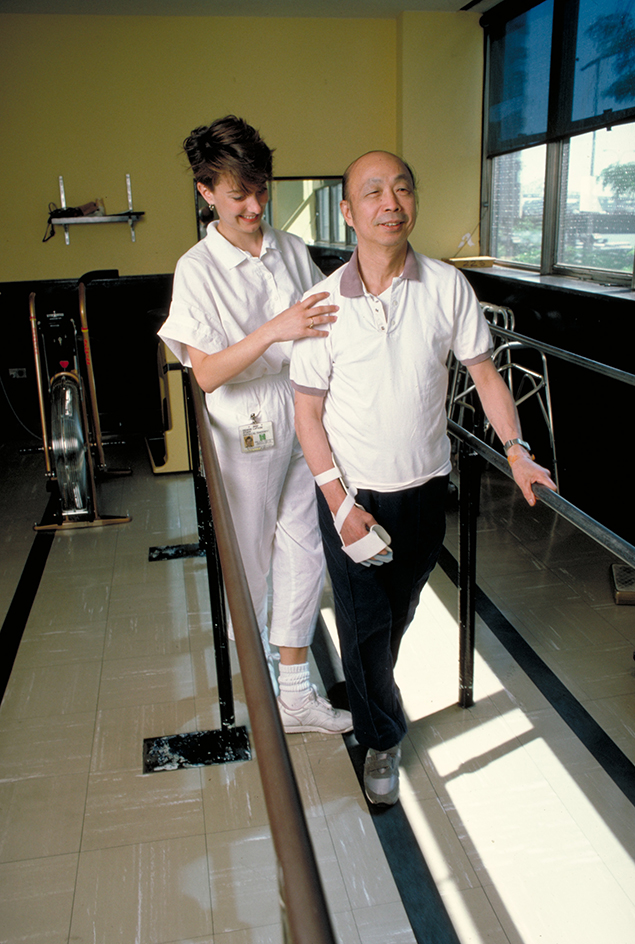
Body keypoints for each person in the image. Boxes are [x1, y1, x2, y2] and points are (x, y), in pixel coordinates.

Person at [290, 150, 557, 803]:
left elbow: (484, 375)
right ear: (349, 212)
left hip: (424, 490)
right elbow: (306, 412)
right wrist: (337, 502)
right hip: (351, 496)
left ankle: (367, 681)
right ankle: (381, 738)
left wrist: (516, 450)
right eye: (373, 192)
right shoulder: (321, 303)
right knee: (362, 621)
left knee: (398, 609)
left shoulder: (446, 286)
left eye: (401, 189)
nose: (391, 202)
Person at [158, 115, 352, 735]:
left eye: (261, 189)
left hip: (303, 416)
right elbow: (208, 372)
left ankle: (295, 693)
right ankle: (259, 687)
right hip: (243, 433)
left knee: (306, 549)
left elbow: (324, 323)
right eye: (238, 193)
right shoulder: (198, 269)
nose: (254, 205)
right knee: (250, 563)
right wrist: (275, 329)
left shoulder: (289, 248)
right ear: (207, 191)